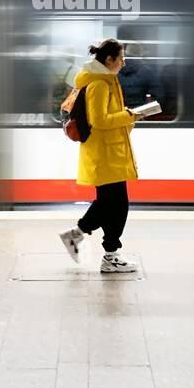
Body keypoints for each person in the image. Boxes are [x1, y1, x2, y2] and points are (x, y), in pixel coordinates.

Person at [59, 38, 140, 273]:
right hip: (105, 154)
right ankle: (108, 254)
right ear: (109, 60)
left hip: (109, 151)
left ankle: (82, 239)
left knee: (110, 203)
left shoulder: (105, 81)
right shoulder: (99, 85)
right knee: (116, 204)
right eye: (121, 59)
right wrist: (129, 116)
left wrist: (128, 118)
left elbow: (108, 118)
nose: (123, 63)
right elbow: (100, 120)